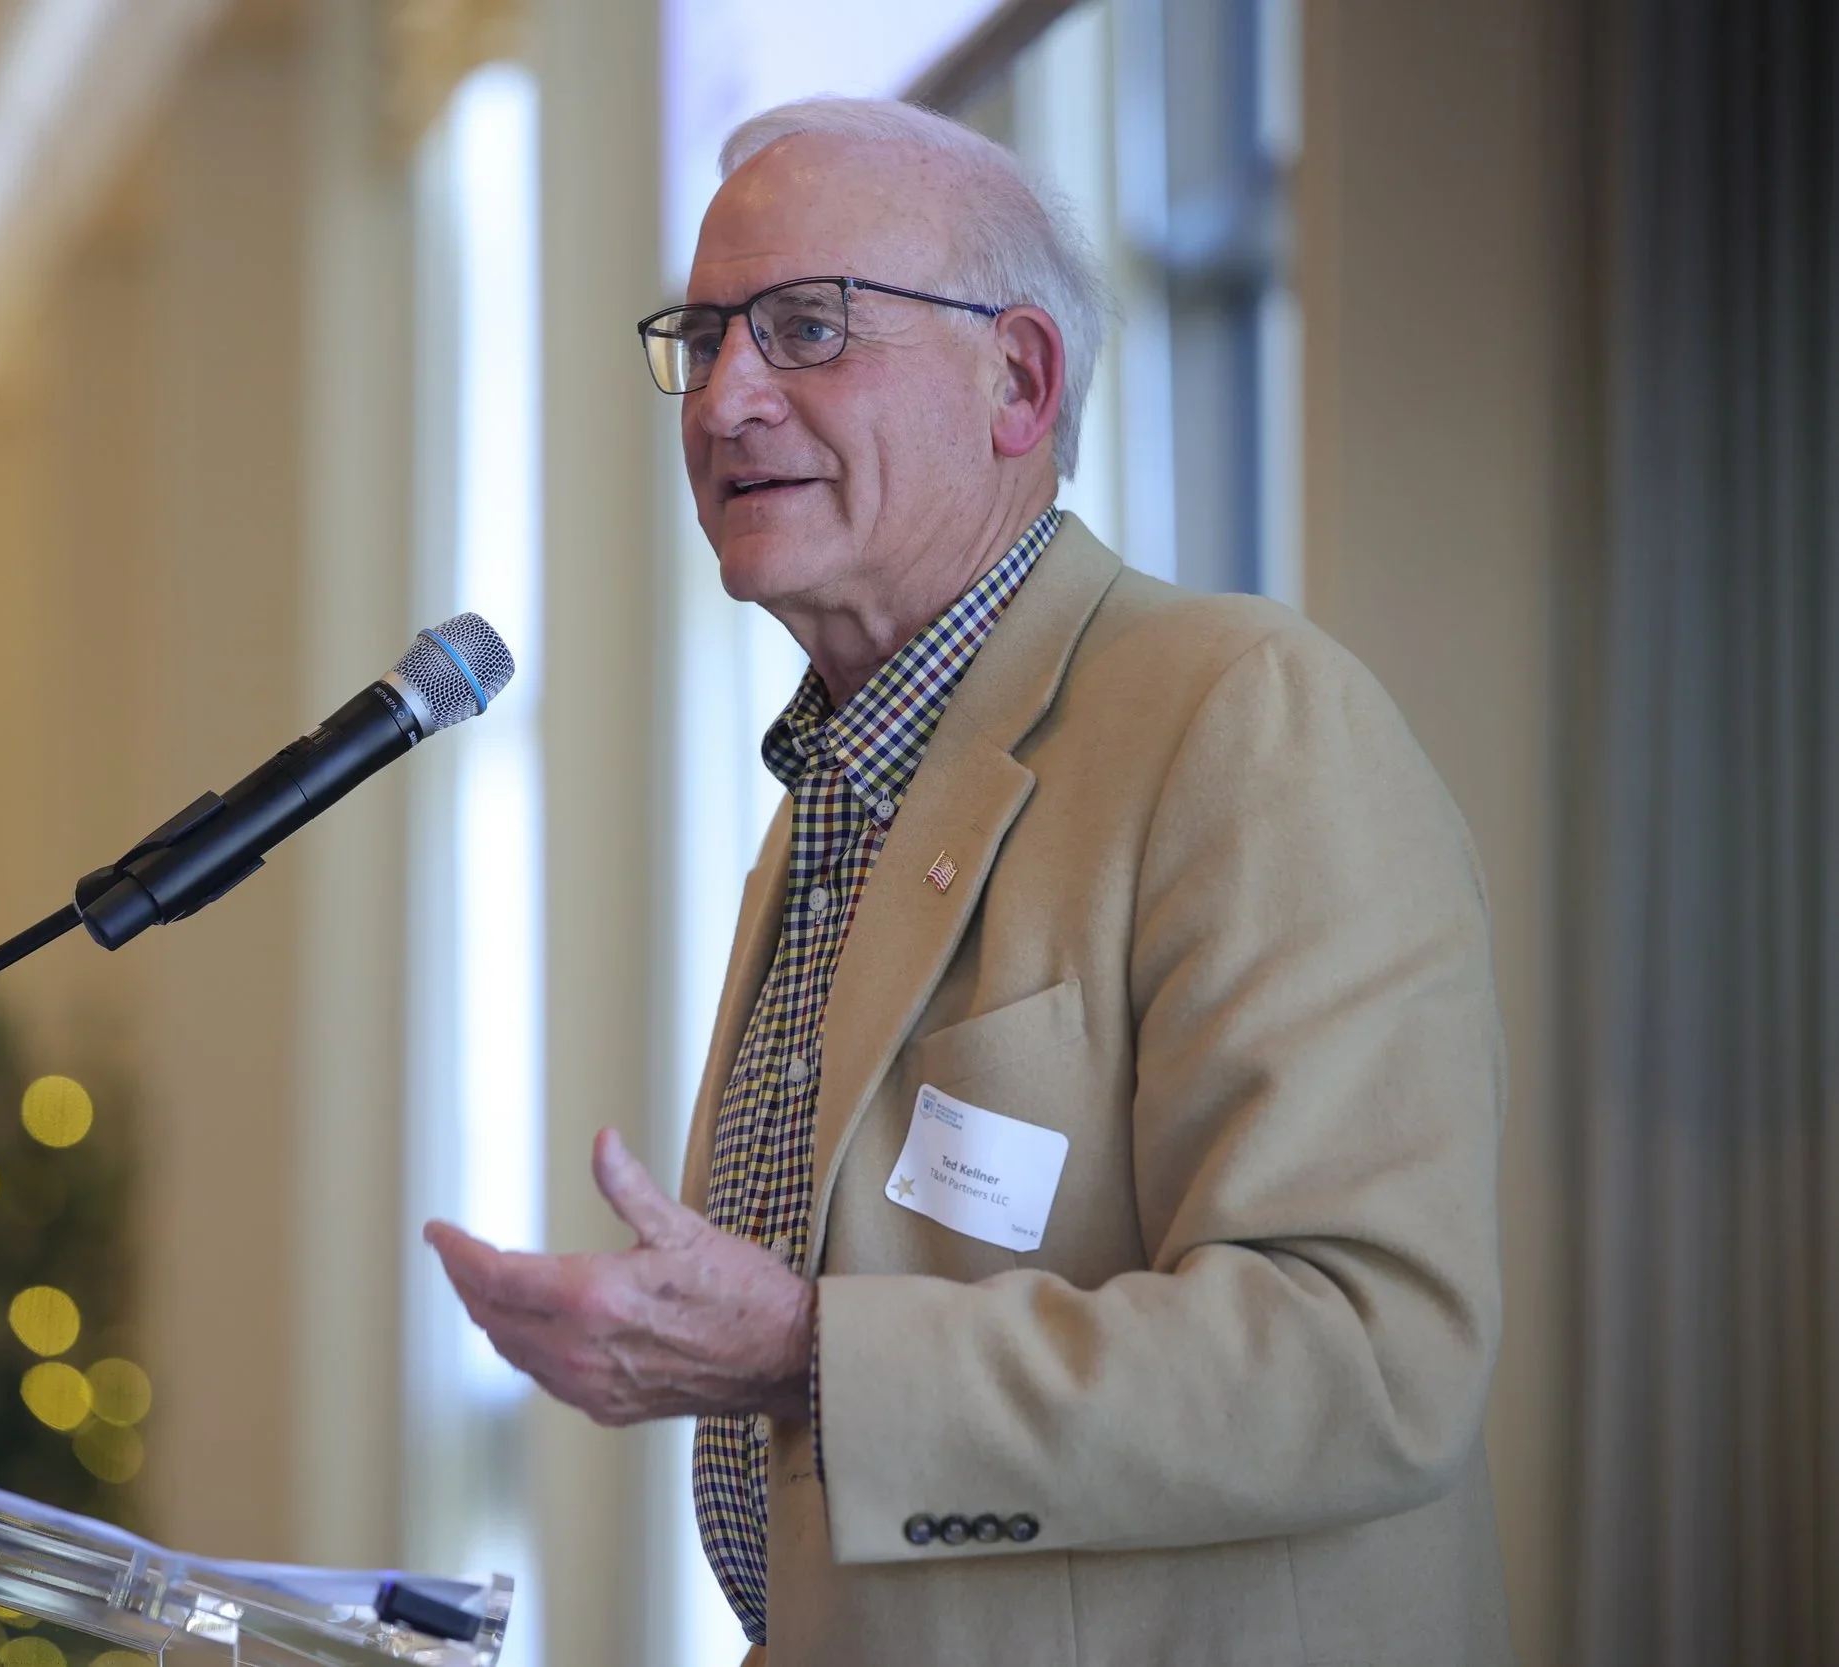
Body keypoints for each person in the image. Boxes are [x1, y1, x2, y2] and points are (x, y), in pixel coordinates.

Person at [423, 96, 1512, 1667]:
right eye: (708, 334)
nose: (728, 401)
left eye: (805, 329)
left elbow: (1367, 1356)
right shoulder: (838, 785)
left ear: (1019, 381)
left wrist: (806, 1354)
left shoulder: (1244, 715)